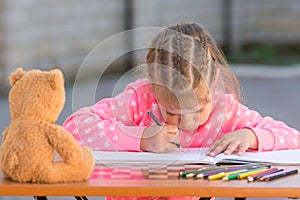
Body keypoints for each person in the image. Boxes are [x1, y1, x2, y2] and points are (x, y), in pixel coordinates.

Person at [63, 22, 300, 199]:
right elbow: (74, 127)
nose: (188, 123)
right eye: (173, 112)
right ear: (153, 88)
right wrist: (141, 138)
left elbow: (292, 138)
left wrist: (251, 135)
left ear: (214, 81)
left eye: (198, 109)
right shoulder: (140, 100)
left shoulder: (223, 110)